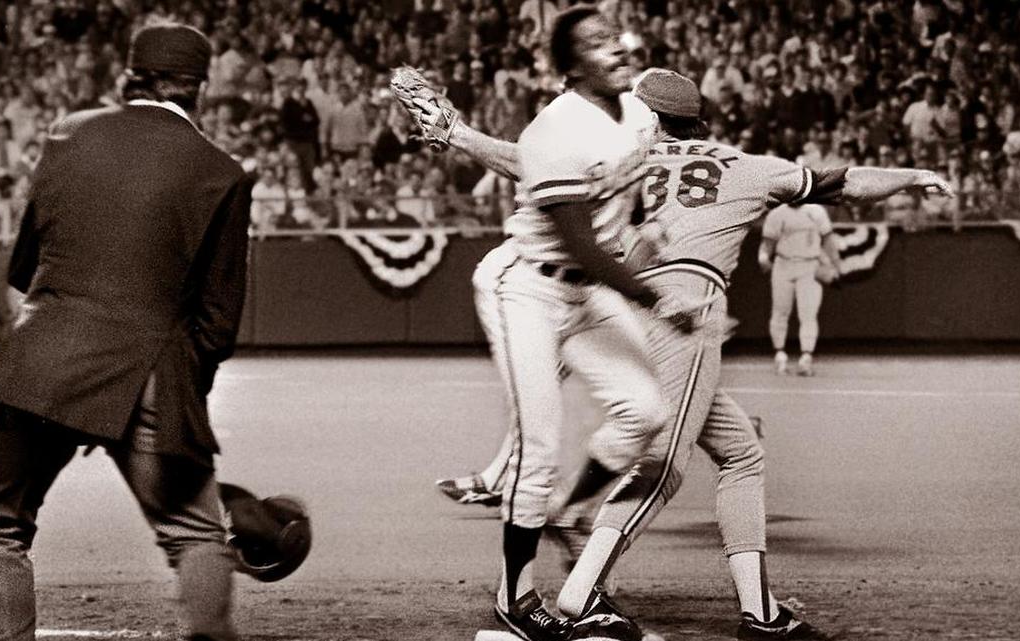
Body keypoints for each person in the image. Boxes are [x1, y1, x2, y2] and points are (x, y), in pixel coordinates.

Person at [403, 67, 952, 639]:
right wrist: (912, 174)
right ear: (698, 121)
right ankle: (582, 590)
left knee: (742, 453)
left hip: (622, 302)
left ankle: (759, 612)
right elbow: (842, 181)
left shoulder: (621, 159)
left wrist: (460, 134)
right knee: (662, 464)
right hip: (684, 308)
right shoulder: (743, 165)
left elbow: (529, 164)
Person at [0, 23, 253, 641]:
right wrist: (172, 408)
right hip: (147, 369)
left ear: (131, 75)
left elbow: (23, 268)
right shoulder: (222, 172)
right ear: (199, 88)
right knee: (198, 535)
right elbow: (217, 326)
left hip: (43, 358)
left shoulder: (68, 135)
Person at [465, 7, 707, 641]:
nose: (617, 48)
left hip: (588, 292)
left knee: (645, 410)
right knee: (536, 450)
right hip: (530, 290)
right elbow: (581, 248)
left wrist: (648, 230)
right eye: (596, 43)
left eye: (615, 36)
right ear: (570, 68)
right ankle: (514, 599)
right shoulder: (555, 131)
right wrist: (659, 299)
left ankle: (570, 514)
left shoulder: (637, 114)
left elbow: (629, 205)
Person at [758, 202, 843, 377]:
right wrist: (763, 257)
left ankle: (806, 357)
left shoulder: (816, 211)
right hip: (783, 264)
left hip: (810, 265)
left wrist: (836, 264)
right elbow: (767, 243)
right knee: (780, 312)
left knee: (808, 314)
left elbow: (828, 240)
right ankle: (780, 355)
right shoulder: (777, 213)